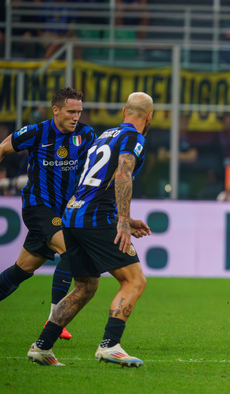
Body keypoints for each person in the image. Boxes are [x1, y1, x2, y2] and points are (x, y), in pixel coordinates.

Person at [27, 92, 153, 367]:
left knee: (86, 285)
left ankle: (42, 346)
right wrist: (122, 220)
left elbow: (91, 180)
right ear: (149, 116)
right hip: (96, 218)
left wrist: (126, 218)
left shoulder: (106, 135)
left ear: (123, 112)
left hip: (73, 214)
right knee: (134, 281)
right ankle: (110, 345)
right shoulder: (133, 138)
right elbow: (122, 173)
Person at [0, 87, 97, 342]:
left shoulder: (86, 135)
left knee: (22, 269)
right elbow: (2, 149)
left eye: (79, 111)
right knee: (71, 251)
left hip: (65, 212)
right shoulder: (36, 132)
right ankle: (56, 318)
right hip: (38, 207)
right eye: (71, 111)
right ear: (56, 110)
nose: (76, 116)